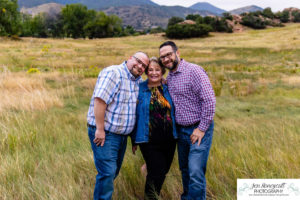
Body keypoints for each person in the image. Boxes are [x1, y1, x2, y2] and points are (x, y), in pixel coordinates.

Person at [87, 52, 149, 200]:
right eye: (138, 61)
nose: (140, 66)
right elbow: (100, 101)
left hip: (121, 136)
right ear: (130, 58)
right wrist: (100, 129)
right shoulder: (114, 73)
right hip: (106, 133)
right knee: (107, 172)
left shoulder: (138, 81)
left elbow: (134, 111)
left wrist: (134, 138)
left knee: (112, 173)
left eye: (143, 66)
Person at [159, 41, 216, 200]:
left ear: (177, 53)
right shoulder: (170, 77)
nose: (166, 59)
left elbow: (209, 101)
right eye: (162, 57)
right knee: (184, 169)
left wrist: (202, 128)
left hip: (199, 129)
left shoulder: (194, 71)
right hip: (181, 131)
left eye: (168, 54)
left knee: (195, 170)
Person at [132, 57, 177, 200]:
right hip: (148, 140)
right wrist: (134, 139)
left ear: (162, 71)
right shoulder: (139, 89)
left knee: (162, 172)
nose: (154, 73)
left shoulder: (168, 88)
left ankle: (153, 195)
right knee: (156, 172)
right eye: (150, 69)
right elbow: (134, 115)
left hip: (170, 139)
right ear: (146, 71)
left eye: (157, 69)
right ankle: (151, 197)